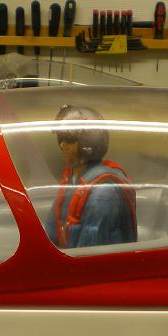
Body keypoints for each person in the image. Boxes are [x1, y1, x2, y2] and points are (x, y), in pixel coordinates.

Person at [46, 104, 137, 249]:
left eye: (69, 140)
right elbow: (52, 230)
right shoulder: (71, 180)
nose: (62, 145)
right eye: (60, 138)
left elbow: (90, 249)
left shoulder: (103, 193)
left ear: (88, 143)